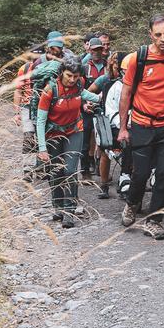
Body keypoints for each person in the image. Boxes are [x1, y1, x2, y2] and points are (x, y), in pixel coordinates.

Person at [117, 15, 164, 240]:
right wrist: (123, 127)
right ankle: (132, 203)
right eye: (158, 34)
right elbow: (126, 94)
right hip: (142, 124)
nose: (163, 39)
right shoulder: (137, 59)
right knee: (140, 173)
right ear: (150, 34)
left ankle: (154, 220)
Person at [36, 59, 102, 228]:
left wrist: (104, 95)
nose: (72, 80)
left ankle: (69, 211)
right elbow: (40, 121)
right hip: (53, 133)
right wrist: (42, 148)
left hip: (74, 131)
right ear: (61, 73)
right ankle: (57, 206)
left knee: (70, 171)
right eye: (69, 75)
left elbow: (87, 95)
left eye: (75, 76)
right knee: (56, 171)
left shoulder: (78, 85)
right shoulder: (50, 90)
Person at [13, 31, 73, 167]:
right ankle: (29, 169)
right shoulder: (31, 66)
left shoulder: (67, 60)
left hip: (57, 105)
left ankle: (44, 167)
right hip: (34, 105)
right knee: (30, 136)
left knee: (49, 136)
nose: (55, 50)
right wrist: (17, 112)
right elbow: (23, 89)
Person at [89, 51, 125, 199]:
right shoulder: (105, 80)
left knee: (130, 153)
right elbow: (92, 93)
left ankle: (127, 183)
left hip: (125, 120)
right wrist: (91, 103)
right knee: (105, 153)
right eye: (114, 63)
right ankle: (104, 185)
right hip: (106, 120)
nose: (116, 66)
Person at [80, 37, 109, 176]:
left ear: (102, 50)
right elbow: (78, 89)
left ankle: (100, 168)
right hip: (86, 108)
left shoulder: (108, 66)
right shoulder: (84, 67)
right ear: (89, 50)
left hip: (104, 108)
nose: (96, 52)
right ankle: (85, 171)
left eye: (99, 49)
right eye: (94, 49)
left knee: (104, 140)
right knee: (86, 139)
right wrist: (84, 104)